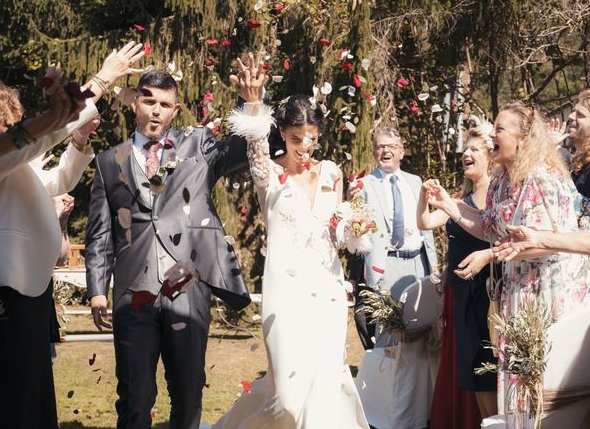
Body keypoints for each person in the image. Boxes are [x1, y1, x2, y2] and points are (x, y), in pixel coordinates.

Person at [0, 42, 144, 429]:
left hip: (21, 298)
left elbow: (55, 181)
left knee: (28, 404)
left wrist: (78, 144)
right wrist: (101, 81)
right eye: (13, 111)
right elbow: (38, 139)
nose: (20, 117)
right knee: (0, 407)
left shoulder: (4, 167)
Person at [85, 63, 253, 429]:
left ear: (176, 110)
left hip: (189, 289)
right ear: (135, 104)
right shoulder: (108, 162)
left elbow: (240, 151)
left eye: (165, 104)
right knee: (134, 396)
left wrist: (248, 103)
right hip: (133, 291)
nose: (156, 110)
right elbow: (99, 233)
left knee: (189, 392)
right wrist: (98, 290)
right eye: (149, 101)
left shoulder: (198, 146)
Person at [212, 56, 368, 429]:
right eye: (297, 138)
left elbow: (338, 233)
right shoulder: (268, 174)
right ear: (282, 132)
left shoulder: (332, 172)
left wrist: (355, 229)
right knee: (286, 395)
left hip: (328, 290)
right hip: (285, 293)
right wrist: (253, 102)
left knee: (328, 385)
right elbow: (254, 145)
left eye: (312, 138)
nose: (305, 147)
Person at [424, 101, 590, 414]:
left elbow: (549, 241)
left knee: (544, 396)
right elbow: (489, 228)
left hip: (547, 297)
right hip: (515, 295)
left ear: (523, 139)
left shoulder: (543, 178)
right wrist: (449, 205)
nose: (492, 136)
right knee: (516, 396)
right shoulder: (502, 181)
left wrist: (491, 256)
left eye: (499, 129)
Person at [349, 126, 438, 429]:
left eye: (391, 146)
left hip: (418, 267)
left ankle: (419, 411)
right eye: (379, 146)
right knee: (390, 343)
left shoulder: (415, 182)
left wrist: (433, 270)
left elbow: (427, 231)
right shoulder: (363, 185)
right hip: (385, 267)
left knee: (421, 339)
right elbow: (355, 233)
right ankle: (387, 413)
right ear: (374, 152)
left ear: (401, 150)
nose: (385, 151)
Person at [417, 126, 497, 425]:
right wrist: (424, 195)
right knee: (465, 366)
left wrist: (452, 207)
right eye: (466, 149)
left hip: (483, 291)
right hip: (458, 291)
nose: (466, 153)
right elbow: (426, 221)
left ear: (491, 156)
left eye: (475, 149)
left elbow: (491, 233)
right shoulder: (461, 196)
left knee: (483, 365)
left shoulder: (495, 193)